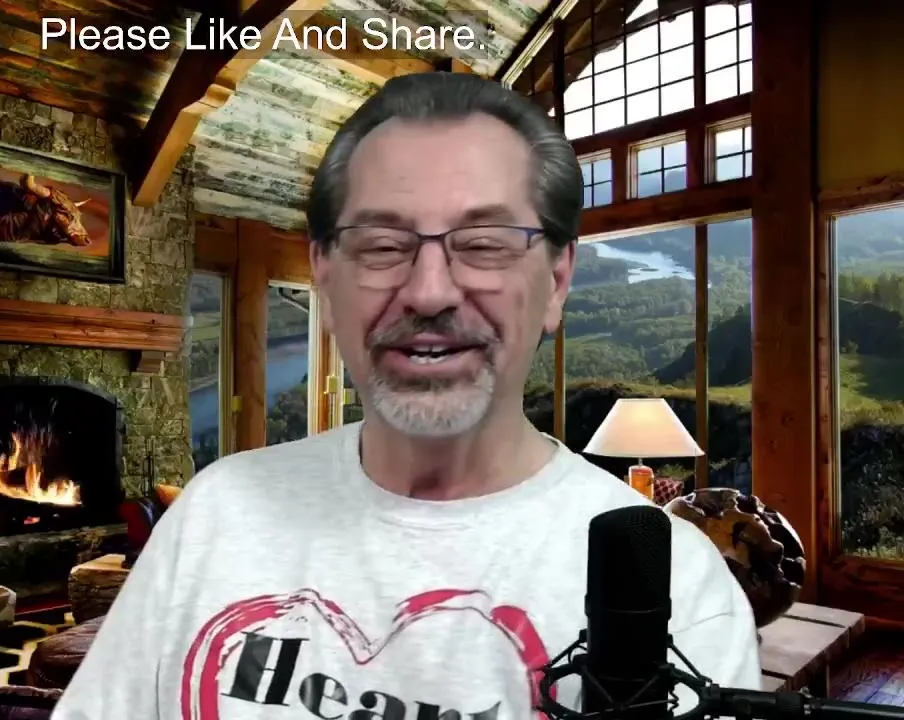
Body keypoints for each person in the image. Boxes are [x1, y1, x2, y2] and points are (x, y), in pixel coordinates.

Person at [52, 72, 759, 720]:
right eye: (382, 244)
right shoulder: (216, 514)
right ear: (326, 275)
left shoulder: (674, 588)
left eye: (484, 243)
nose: (428, 291)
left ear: (557, 280)